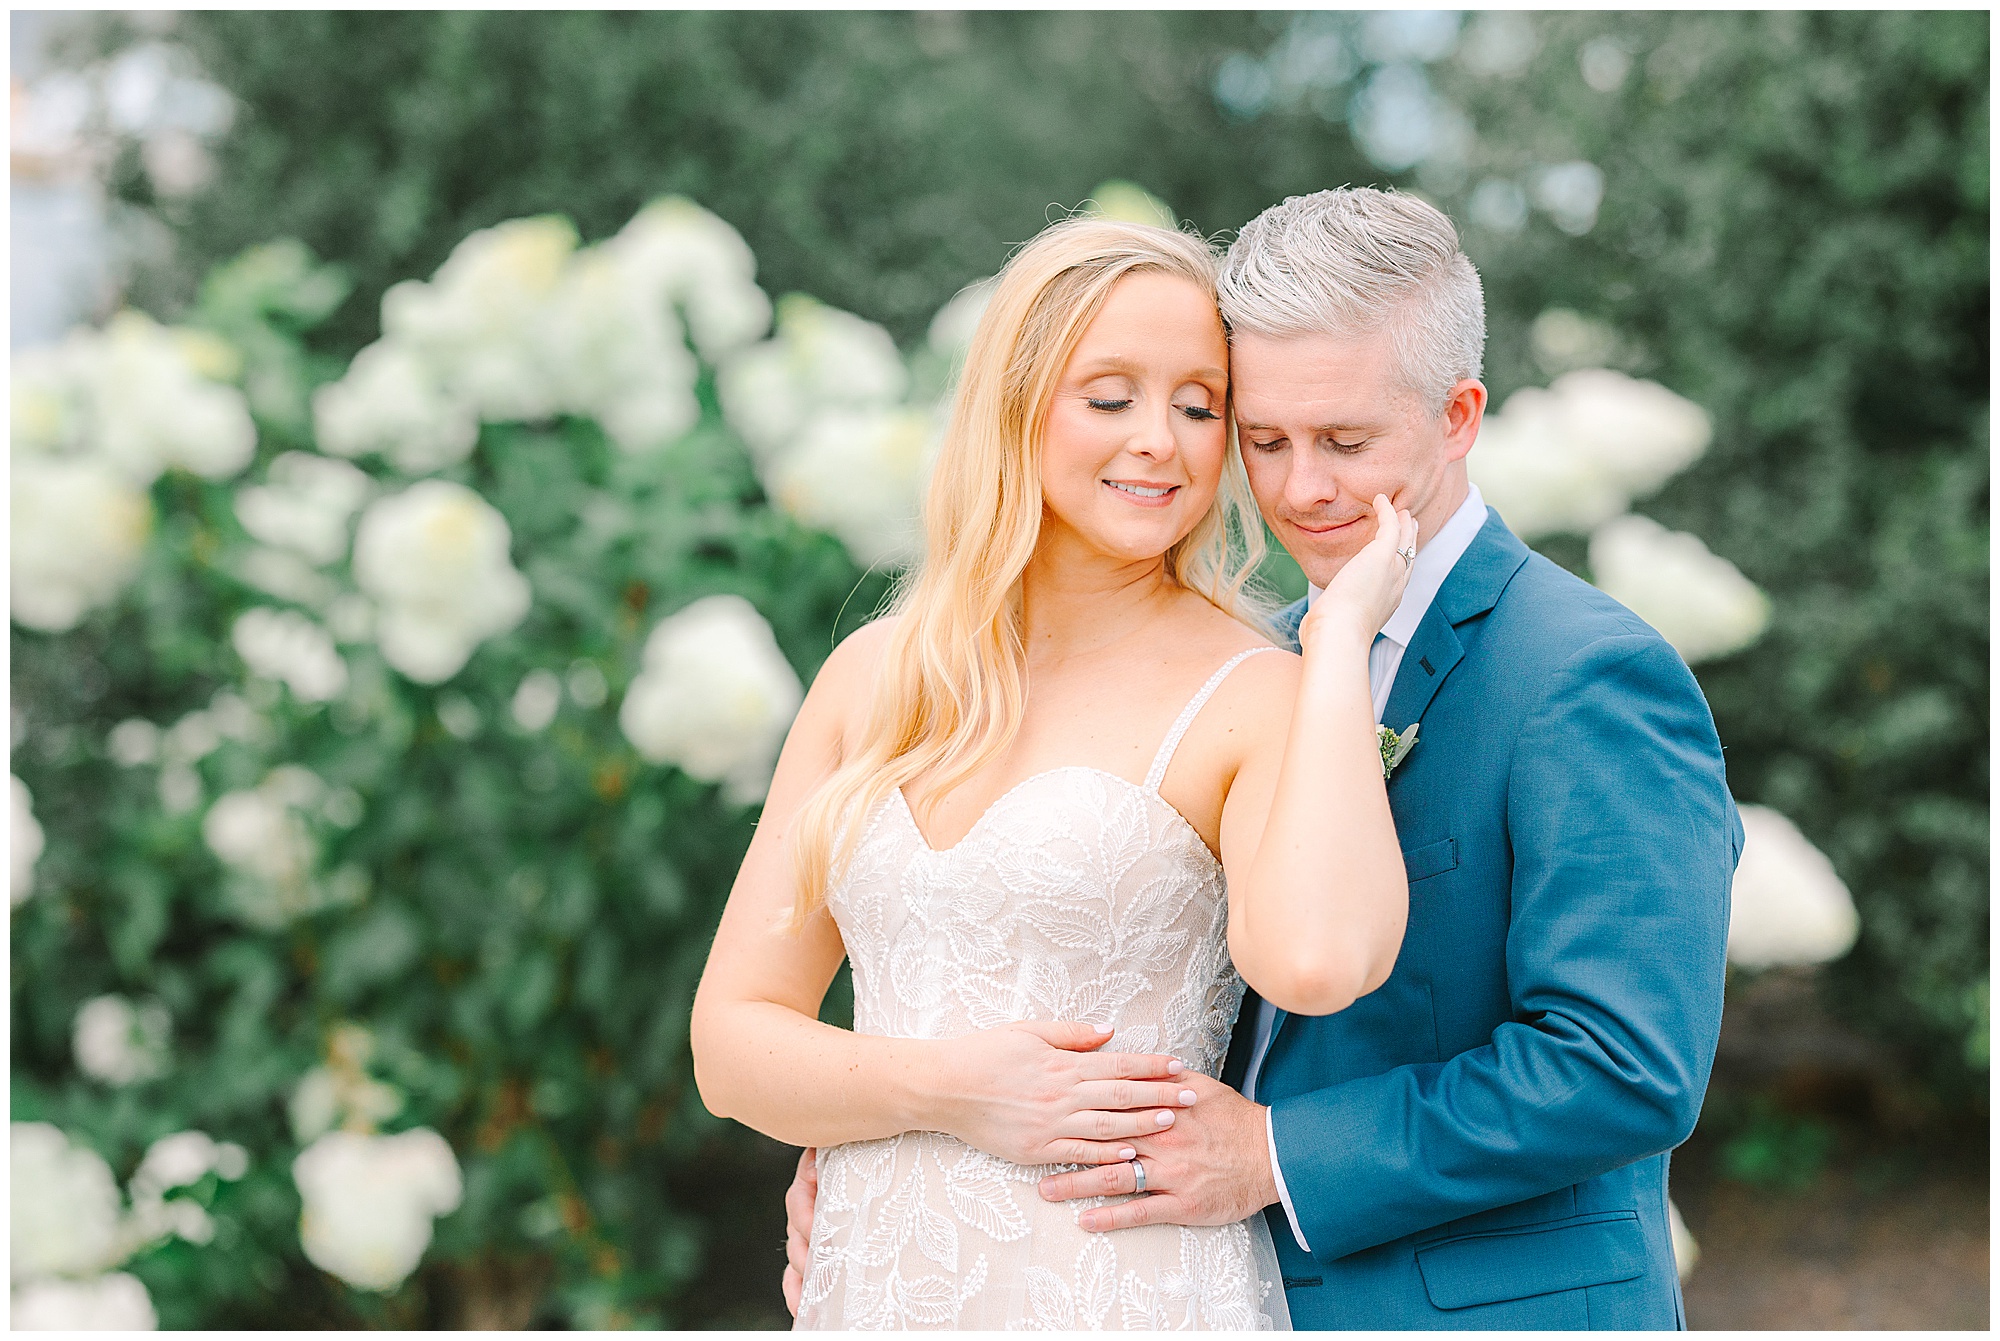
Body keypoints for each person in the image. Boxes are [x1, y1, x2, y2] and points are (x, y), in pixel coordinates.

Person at [779, 188, 1740, 1330]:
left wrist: (1277, 1154)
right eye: (1262, 441)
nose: (1298, 490)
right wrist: (906, 1161)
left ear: (1458, 416)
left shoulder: (1580, 675)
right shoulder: (1259, 658)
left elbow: (1623, 1065)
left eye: (1343, 443)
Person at [691, 215, 1425, 1329]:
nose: (1160, 443)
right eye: (1110, 396)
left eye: (1197, 407)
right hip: (872, 1285)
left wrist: (1334, 647)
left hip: (1122, 1282)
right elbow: (732, 1044)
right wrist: (942, 1092)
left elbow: (1320, 963)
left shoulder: (1250, 692)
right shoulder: (871, 677)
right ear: (1014, 405)